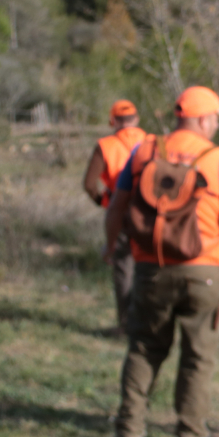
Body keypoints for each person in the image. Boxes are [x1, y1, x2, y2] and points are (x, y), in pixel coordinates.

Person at [103, 86, 219, 437]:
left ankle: (129, 429)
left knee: (144, 347)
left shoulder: (144, 150)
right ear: (204, 120)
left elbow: (117, 208)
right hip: (205, 270)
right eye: (217, 120)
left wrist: (112, 248)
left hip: (150, 267)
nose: (217, 127)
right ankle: (188, 436)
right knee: (197, 355)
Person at [83, 99, 148, 333]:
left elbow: (89, 184)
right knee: (148, 267)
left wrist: (104, 201)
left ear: (113, 121)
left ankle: (125, 325)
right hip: (149, 214)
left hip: (120, 213)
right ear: (137, 119)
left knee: (123, 267)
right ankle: (148, 322)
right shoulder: (152, 142)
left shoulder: (105, 145)